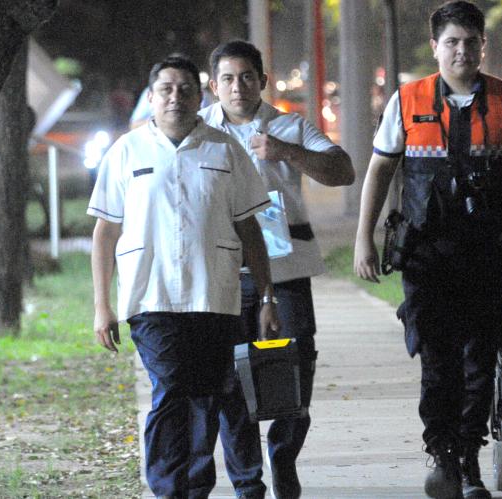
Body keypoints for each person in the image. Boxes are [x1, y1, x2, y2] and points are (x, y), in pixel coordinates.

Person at [353, 2, 502, 498]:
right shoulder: (407, 100)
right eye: (452, 42)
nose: (462, 51)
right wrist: (363, 239)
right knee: (437, 359)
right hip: (426, 254)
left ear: (484, 45)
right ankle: (442, 454)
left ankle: (467, 457)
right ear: (435, 46)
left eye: (471, 41)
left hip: (489, 253)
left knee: (480, 358)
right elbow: (380, 170)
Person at [89, 55, 280, 498]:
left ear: (200, 97)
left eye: (185, 89)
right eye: (166, 89)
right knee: (172, 387)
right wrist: (102, 305)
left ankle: (194, 487)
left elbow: (250, 228)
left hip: (213, 295)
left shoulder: (225, 150)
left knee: (206, 396)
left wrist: (267, 297)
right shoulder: (126, 151)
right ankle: (167, 488)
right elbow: (105, 231)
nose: (175, 97)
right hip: (150, 296)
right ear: (151, 97)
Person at [198, 40, 355, 499]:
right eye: (228, 79)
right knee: (231, 378)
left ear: (263, 81)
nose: (238, 87)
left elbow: (342, 170)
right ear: (214, 86)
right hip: (223, 273)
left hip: (285, 270)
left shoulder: (289, 126)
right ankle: (248, 481)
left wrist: (286, 151)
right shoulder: (199, 130)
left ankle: (283, 455)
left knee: (296, 364)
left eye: (247, 77)